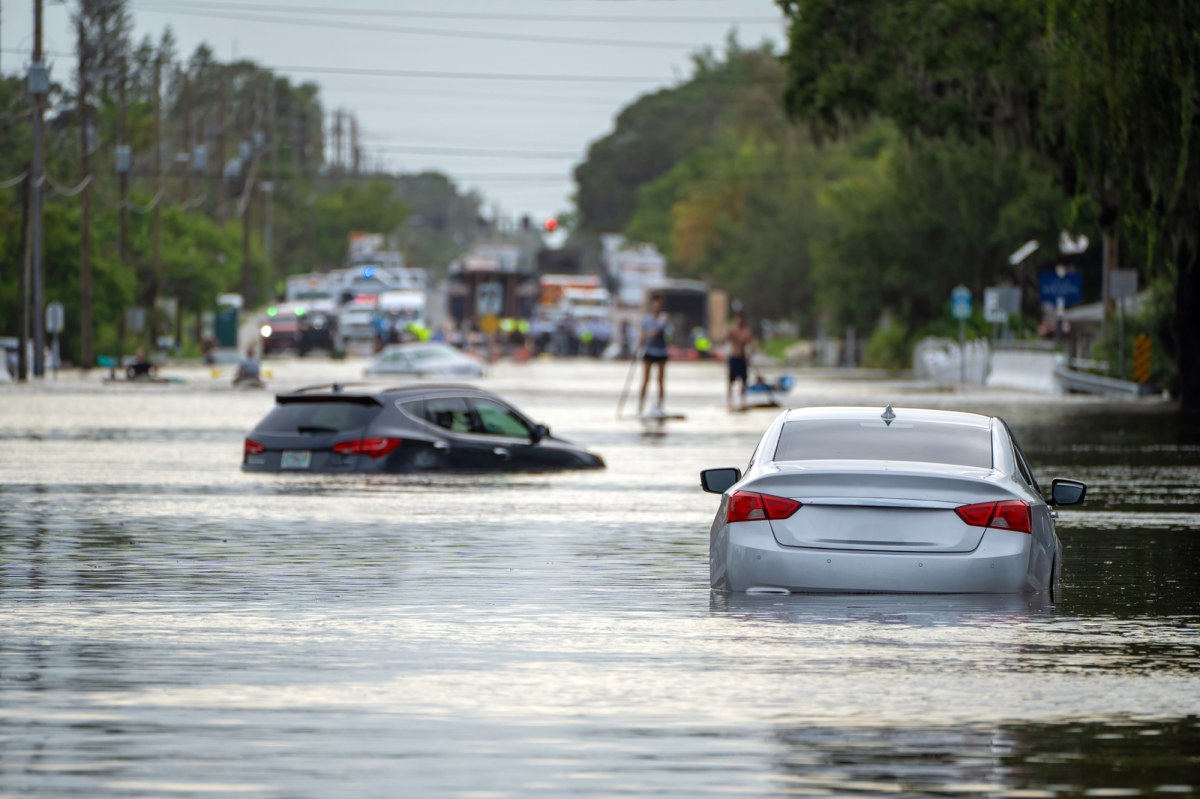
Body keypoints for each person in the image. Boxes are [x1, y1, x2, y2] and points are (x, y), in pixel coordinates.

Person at [637, 294, 671, 416]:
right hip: (649, 351)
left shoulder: (665, 318)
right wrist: (649, 335)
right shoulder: (646, 319)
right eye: (655, 304)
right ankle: (640, 405)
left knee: (660, 380)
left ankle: (661, 406)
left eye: (658, 304)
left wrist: (657, 331)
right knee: (645, 379)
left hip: (661, 351)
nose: (656, 306)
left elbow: (669, 335)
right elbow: (642, 334)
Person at [726, 311, 755, 410]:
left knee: (744, 381)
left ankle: (743, 402)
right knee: (731, 381)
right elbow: (724, 339)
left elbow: (752, 345)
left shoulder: (747, 332)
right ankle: (730, 403)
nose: (739, 321)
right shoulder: (732, 330)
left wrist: (750, 356)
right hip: (734, 357)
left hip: (742, 358)